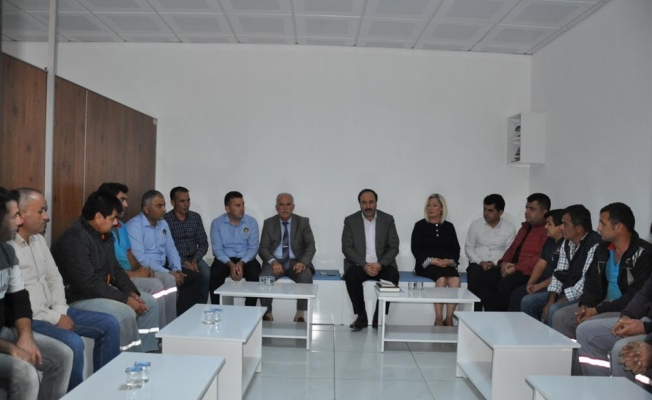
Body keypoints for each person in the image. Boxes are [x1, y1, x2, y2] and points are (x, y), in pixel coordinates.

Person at [10, 188, 120, 391]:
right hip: (31, 319)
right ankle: (74, 394)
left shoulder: (38, 240)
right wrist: (55, 318)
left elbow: (54, 278)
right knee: (73, 342)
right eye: (41, 211)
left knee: (109, 324)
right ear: (21, 214)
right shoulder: (9, 247)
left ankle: (105, 389)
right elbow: (19, 299)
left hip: (55, 310)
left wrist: (61, 311)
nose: (47, 217)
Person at [51, 191, 160, 353]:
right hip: (77, 298)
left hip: (98, 293)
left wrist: (131, 292)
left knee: (149, 302)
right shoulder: (75, 239)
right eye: (113, 218)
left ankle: (149, 352)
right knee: (124, 312)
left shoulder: (104, 235)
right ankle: (129, 360)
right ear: (98, 217)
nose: (116, 223)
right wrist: (125, 300)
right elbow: (89, 283)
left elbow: (116, 269)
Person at [0, 187, 73, 400]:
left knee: (63, 355)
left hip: (5, 332)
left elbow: (19, 297)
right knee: (25, 374)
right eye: (14, 216)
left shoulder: (7, 252)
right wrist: (11, 348)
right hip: (4, 340)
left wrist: (25, 336)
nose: (18, 222)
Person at [553, 203, 652, 339]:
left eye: (602, 223)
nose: (598, 228)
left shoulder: (644, 254)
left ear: (618, 227)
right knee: (560, 316)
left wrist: (597, 310)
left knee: (586, 326)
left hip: (625, 309)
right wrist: (586, 304)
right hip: (601, 304)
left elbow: (636, 295)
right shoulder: (602, 249)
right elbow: (591, 281)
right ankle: (568, 353)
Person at [99, 183, 177, 328]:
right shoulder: (101, 231)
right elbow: (109, 271)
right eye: (122, 200)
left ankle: (170, 327)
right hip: (119, 278)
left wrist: (142, 270)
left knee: (168, 279)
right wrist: (135, 275)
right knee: (155, 284)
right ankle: (160, 332)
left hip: (129, 273)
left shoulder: (121, 227)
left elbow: (130, 255)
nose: (126, 204)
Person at [467, 193, 550, 311]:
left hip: (527, 272)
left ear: (544, 212)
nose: (526, 212)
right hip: (512, 267)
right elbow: (512, 249)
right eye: (526, 208)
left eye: (532, 209)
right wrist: (503, 263)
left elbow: (539, 259)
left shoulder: (546, 231)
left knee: (505, 285)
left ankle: (502, 317)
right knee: (485, 278)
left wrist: (515, 267)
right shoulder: (525, 227)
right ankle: (491, 315)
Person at [126, 190, 200, 316]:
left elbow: (171, 248)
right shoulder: (134, 226)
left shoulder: (163, 223)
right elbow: (141, 259)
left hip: (163, 266)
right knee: (170, 279)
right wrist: (169, 272)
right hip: (147, 268)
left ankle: (183, 317)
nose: (164, 209)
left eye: (164, 205)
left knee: (194, 278)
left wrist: (177, 270)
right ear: (147, 209)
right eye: (159, 206)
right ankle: (169, 321)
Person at [343, 189, 399, 331]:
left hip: (382, 264)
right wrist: (364, 265)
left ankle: (378, 317)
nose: (368, 206)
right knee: (351, 275)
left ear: (376, 203)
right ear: (360, 204)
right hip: (360, 264)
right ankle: (361, 316)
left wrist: (380, 264)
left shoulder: (388, 220)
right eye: (364, 203)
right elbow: (347, 248)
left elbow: (394, 247)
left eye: (371, 202)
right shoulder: (350, 221)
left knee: (392, 275)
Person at [540, 205, 602, 325]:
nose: (561, 228)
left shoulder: (595, 245)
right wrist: (551, 299)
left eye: (565, 224)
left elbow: (585, 283)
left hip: (584, 296)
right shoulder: (567, 243)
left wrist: (560, 301)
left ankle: (553, 337)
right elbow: (559, 273)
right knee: (528, 302)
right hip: (567, 290)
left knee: (554, 309)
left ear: (578, 228)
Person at [258, 193, 316, 322]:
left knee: (306, 275)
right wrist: (273, 261)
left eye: (288, 204)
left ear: (293, 207)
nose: (285, 208)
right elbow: (263, 248)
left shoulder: (303, 222)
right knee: (265, 277)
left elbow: (311, 246)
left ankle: (300, 314)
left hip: (296, 261)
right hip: (275, 262)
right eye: (281, 205)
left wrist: (303, 262)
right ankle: (267, 313)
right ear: (276, 207)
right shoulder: (268, 223)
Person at [411, 193, 460, 326]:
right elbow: (415, 249)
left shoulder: (449, 226)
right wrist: (432, 260)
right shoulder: (420, 225)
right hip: (426, 265)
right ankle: (438, 319)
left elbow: (456, 249)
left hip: (445, 264)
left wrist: (449, 261)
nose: (431, 208)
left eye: (434, 205)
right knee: (441, 279)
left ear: (442, 208)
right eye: (428, 205)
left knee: (455, 279)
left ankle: (449, 318)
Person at [464, 194, 516, 311]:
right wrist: (480, 262)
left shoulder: (509, 228)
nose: (486, 213)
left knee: (492, 280)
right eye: (484, 209)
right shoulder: (476, 225)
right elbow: (469, 248)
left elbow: (510, 251)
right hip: (477, 263)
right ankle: (475, 312)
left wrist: (495, 263)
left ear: (500, 212)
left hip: (498, 265)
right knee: (474, 274)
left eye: (490, 210)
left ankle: (491, 313)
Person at [210, 191, 261, 306]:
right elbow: (217, 250)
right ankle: (217, 309)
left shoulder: (251, 222)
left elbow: (253, 248)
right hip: (225, 259)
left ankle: (249, 310)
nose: (242, 208)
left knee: (255, 273)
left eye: (243, 204)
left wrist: (242, 262)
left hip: (246, 258)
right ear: (227, 208)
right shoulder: (217, 223)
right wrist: (230, 264)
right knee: (215, 273)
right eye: (238, 205)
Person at [164, 187, 210, 304]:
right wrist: (184, 262)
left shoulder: (195, 217)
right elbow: (166, 248)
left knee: (206, 272)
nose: (186, 204)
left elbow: (203, 243)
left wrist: (195, 260)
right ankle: (184, 308)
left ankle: (201, 306)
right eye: (182, 201)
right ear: (173, 202)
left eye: (188, 200)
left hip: (195, 258)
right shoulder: (166, 220)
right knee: (187, 276)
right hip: (176, 260)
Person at [516, 209, 564, 317]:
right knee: (517, 294)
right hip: (542, 280)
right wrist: (531, 282)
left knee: (527, 300)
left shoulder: (566, 245)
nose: (545, 227)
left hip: (555, 286)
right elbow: (540, 265)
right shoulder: (549, 241)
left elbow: (560, 275)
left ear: (560, 226)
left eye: (549, 224)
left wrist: (538, 286)